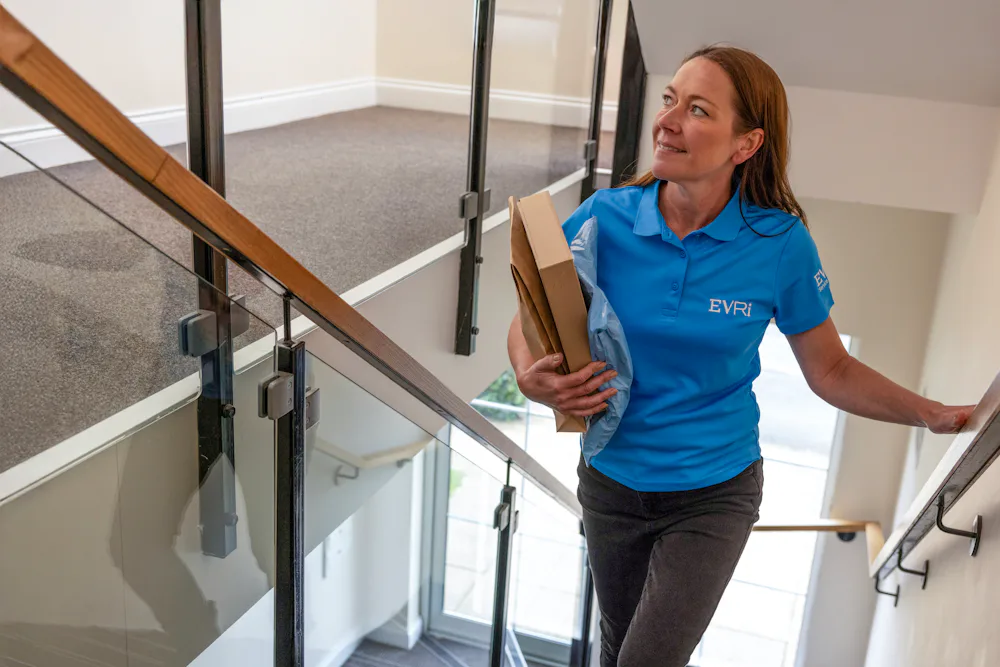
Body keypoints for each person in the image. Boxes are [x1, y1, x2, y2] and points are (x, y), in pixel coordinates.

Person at [506, 45, 976, 667]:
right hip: (609, 480)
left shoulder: (778, 243)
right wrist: (527, 376)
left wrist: (932, 413)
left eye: (697, 109)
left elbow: (831, 369)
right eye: (670, 99)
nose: (668, 120)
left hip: (713, 491)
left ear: (745, 144)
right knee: (618, 646)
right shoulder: (605, 220)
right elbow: (528, 318)